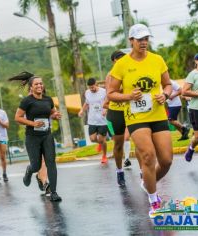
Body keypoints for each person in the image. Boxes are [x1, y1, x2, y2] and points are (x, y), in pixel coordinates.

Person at [108, 24, 173, 217]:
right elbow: (111, 94)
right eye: (140, 39)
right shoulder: (121, 65)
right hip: (136, 117)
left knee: (167, 160)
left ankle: (146, 182)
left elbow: (167, 84)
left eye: (146, 39)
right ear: (131, 41)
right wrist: (128, 96)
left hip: (158, 114)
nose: (144, 42)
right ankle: (154, 200)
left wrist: (166, 95)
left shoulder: (157, 60)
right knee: (147, 156)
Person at [10, 71, 62, 202]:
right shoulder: (27, 101)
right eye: (36, 84)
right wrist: (32, 123)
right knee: (36, 166)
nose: (39, 86)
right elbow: (17, 117)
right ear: (31, 87)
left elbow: (51, 112)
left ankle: (54, 192)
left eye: (41, 83)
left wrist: (55, 116)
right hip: (32, 137)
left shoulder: (48, 99)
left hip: (47, 135)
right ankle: (29, 171)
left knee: (51, 162)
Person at [104, 50, 130, 186]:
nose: (121, 60)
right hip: (116, 112)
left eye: (123, 58)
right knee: (118, 144)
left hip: (131, 110)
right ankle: (119, 171)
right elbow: (110, 93)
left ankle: (144, 171)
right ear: (114, 61)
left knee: (140, 140)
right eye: (118, 59)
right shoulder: (111, 75)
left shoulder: (130, 72)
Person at [78, 78, 108, 164]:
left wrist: (105, 110)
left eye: (93, 87)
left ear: (96, 84)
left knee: (102, 140)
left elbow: (108, 102)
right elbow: (87, 103)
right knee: (92, 139)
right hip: (92, 120)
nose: (92, 89)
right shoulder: (87, 93)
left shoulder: (103, 91)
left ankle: (104, 156)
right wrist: (82, 111)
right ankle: (100, 143)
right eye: (90, 87)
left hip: (102, 120)